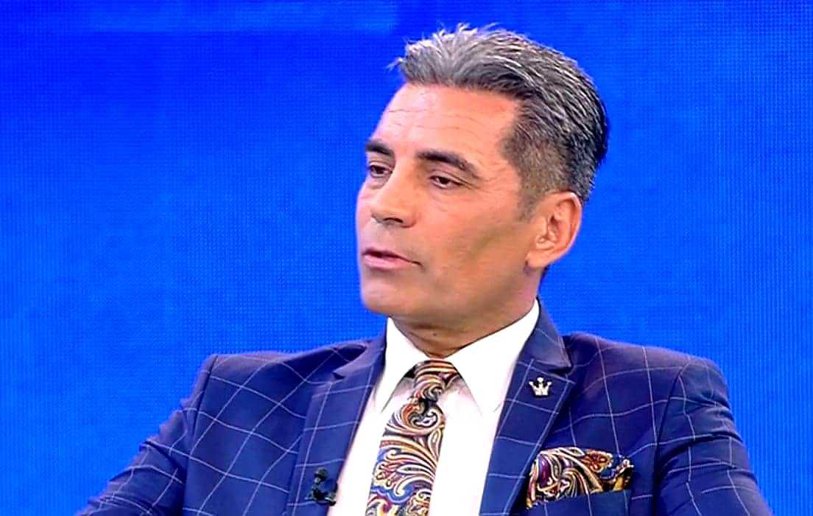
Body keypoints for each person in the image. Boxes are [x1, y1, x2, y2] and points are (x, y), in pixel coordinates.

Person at [81, 25, 770, 515]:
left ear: (550, 228)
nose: (386, 205)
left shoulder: (651, 402)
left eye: (442, 179)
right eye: (378, 169)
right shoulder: (239, 402)